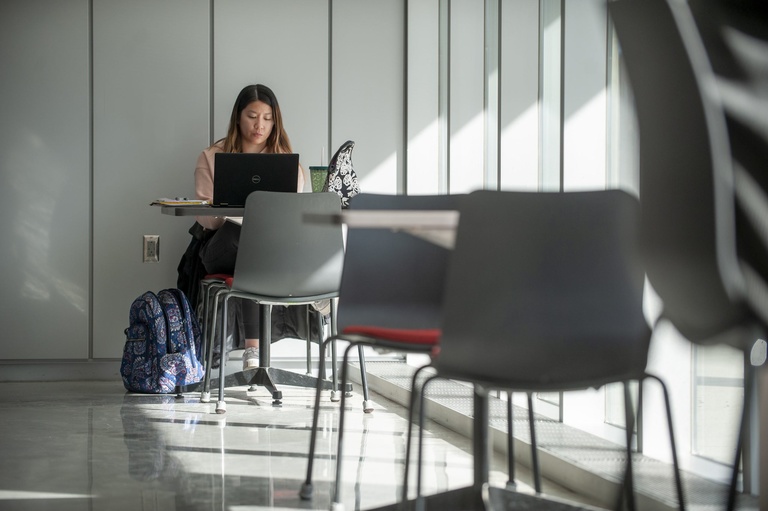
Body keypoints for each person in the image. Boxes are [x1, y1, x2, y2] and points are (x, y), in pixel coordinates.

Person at [193, 84, 307, 370]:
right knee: (239, 235)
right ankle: (253, 351)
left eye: (268, 118)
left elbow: (292, 213)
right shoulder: (211, 156)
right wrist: (226, 209)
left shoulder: (286, 162)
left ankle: (252, 352)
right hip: (221, 245)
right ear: (238, 117)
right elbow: (205, 218)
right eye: (253, 116)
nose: (260, 125)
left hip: (266, 248)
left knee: (253, 245)